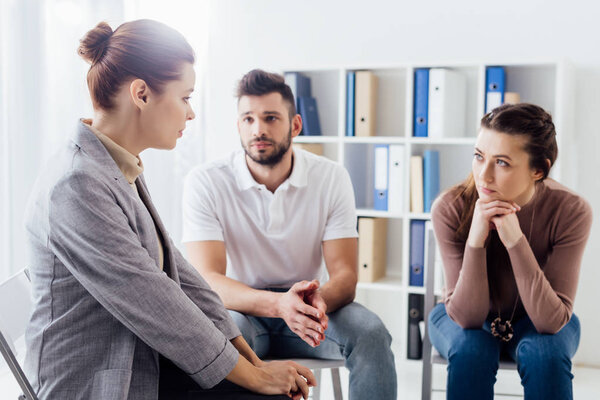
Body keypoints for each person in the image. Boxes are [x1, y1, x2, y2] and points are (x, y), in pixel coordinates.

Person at [23, 20, 315, 400]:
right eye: (185, 97)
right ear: (141, 94)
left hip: (140, 356)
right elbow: (153, 300)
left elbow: (179, 277)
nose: (190, 114)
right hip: (98, 380)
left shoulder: (114, 165)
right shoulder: (76, 184)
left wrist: (252, 361)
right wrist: (254, 378)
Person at [182, 69, 397, 400]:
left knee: (371, 333)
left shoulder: (331, 177)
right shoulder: (206, 181)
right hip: (244, 308)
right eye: (248, 119)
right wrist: (278, 305)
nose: (259, 129)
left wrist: (316, 303)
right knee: (221, 336)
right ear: (238, 125)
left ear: (295, 125)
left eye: (270, 118)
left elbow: (345, 275)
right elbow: (208, 280)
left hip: (311, 308)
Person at [428, 103, 592, 400]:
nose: (484, 176)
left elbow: (551, 321)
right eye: (479, 157)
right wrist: (476, 241)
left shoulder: (571, 211)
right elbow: (466, 318)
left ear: (538, 170)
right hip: (459, 313)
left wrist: (515, 240)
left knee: (546, 353)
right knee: (471, 349)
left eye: (502, 162)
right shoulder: (450, 207)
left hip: (539, 316)